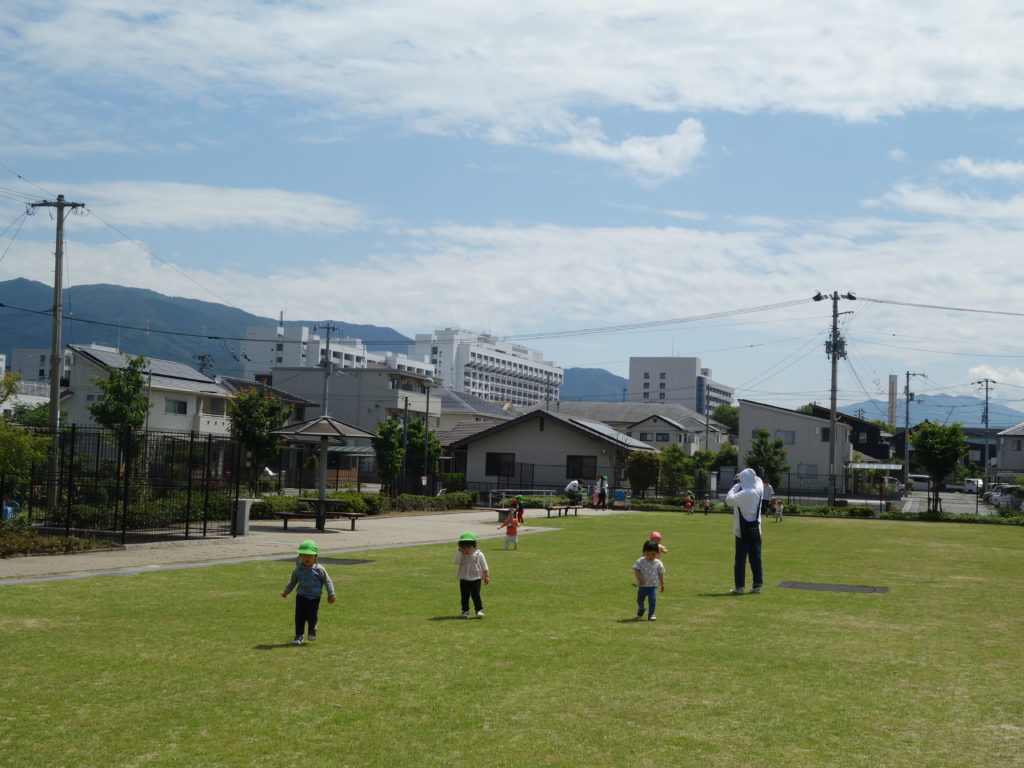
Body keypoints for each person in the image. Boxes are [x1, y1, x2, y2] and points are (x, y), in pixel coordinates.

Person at [281, 539, 336, 645]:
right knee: (299, 617)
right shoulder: (298, 570)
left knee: (312, 616)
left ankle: (312, 629)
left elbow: (327, 581)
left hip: (314, 598)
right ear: (300, 556)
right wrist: (286, 591)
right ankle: (299, 635)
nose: (307, 558)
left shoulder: (320, 570)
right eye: (304, 555)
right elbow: (292, 582)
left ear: (315, 556)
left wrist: (331, 594)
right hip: (301, 597)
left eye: (310, 555)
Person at [725, 468, 764, 595]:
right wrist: (743, 477)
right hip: (756, 530)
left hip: (742, 531)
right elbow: (758, 479)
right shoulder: (759, 489)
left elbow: (729, 500)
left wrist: (737, 485)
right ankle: (757, 585)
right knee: (756, 559)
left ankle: (739, 587)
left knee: (740, 560)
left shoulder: (744, 493)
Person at [454, 531, 489, 618]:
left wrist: (486, 576)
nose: (465, 551)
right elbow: (456, 562)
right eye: (463, 548)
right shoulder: (462, 554)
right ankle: (465, 611)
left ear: (473, 546)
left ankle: (479, 610)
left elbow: (484, 565)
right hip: (464, 579)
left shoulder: (479, 554)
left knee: (475, 594)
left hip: (476, 578)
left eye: (467, 548)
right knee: (464, 596)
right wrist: (459, 552)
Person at [633, 540, 665, 621]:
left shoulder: (658, 563)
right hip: (642, 586)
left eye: (653, 554)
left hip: (653, 586)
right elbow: (636, 570)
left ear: (657, 553)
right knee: (639, 600)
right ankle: (641, 608)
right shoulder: (640, 561)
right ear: (644, 552)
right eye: (647, 554)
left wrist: (662, 584)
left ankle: (651, 614)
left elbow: (661, 573)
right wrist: (639, 579)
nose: (650, 556)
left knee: (652, 600)